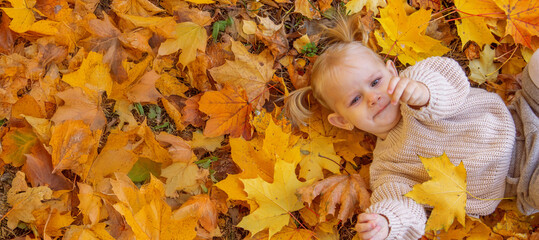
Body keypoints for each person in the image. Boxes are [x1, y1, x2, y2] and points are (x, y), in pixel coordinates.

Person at [285, 15, 539, 240]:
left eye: (375, 81)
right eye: (355, 99)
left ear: (392, 70)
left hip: (525, 111)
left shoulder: (418, 81)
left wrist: (425, 93)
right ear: (343, 121)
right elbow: (403, 202)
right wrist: (387, 221)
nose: (373, 97)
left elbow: (450, 77)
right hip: (525, 176)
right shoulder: (387, 168)